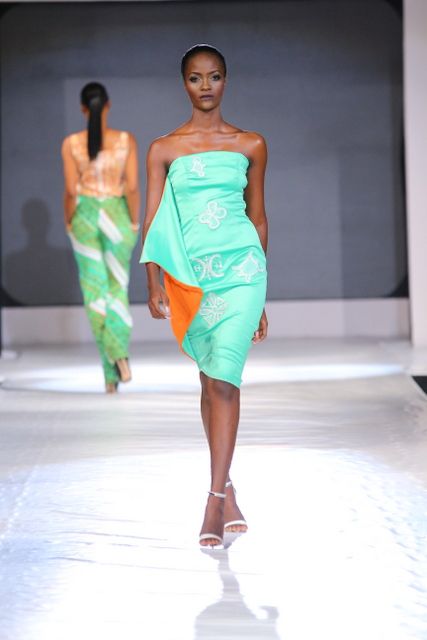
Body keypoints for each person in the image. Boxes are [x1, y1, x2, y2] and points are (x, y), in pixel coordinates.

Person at [141, 45, 268, 548]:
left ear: (226, 80)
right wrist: (153, 280)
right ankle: (229, 486)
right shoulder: (163, 149)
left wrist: (262, 295)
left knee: (226, 381)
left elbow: (258, 218)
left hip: (242, 274)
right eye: (196, 78)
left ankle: (214, 500)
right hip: (191, 278)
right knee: (208, 379)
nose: (206, 86)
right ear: (185, 84)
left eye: (214, 77)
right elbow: (153, 218)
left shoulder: (250, 144)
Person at [61, 82, 140, 393]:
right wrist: (133, 222)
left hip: (85, 216)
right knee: (117, 287)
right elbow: (131, 187)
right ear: (108, 105)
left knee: (95, 291)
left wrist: (69, 221)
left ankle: (110, 374)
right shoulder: (125, 140)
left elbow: (71, 191)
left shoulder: (71, 144)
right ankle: (118, 351)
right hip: (117, 215)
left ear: (83, 109)